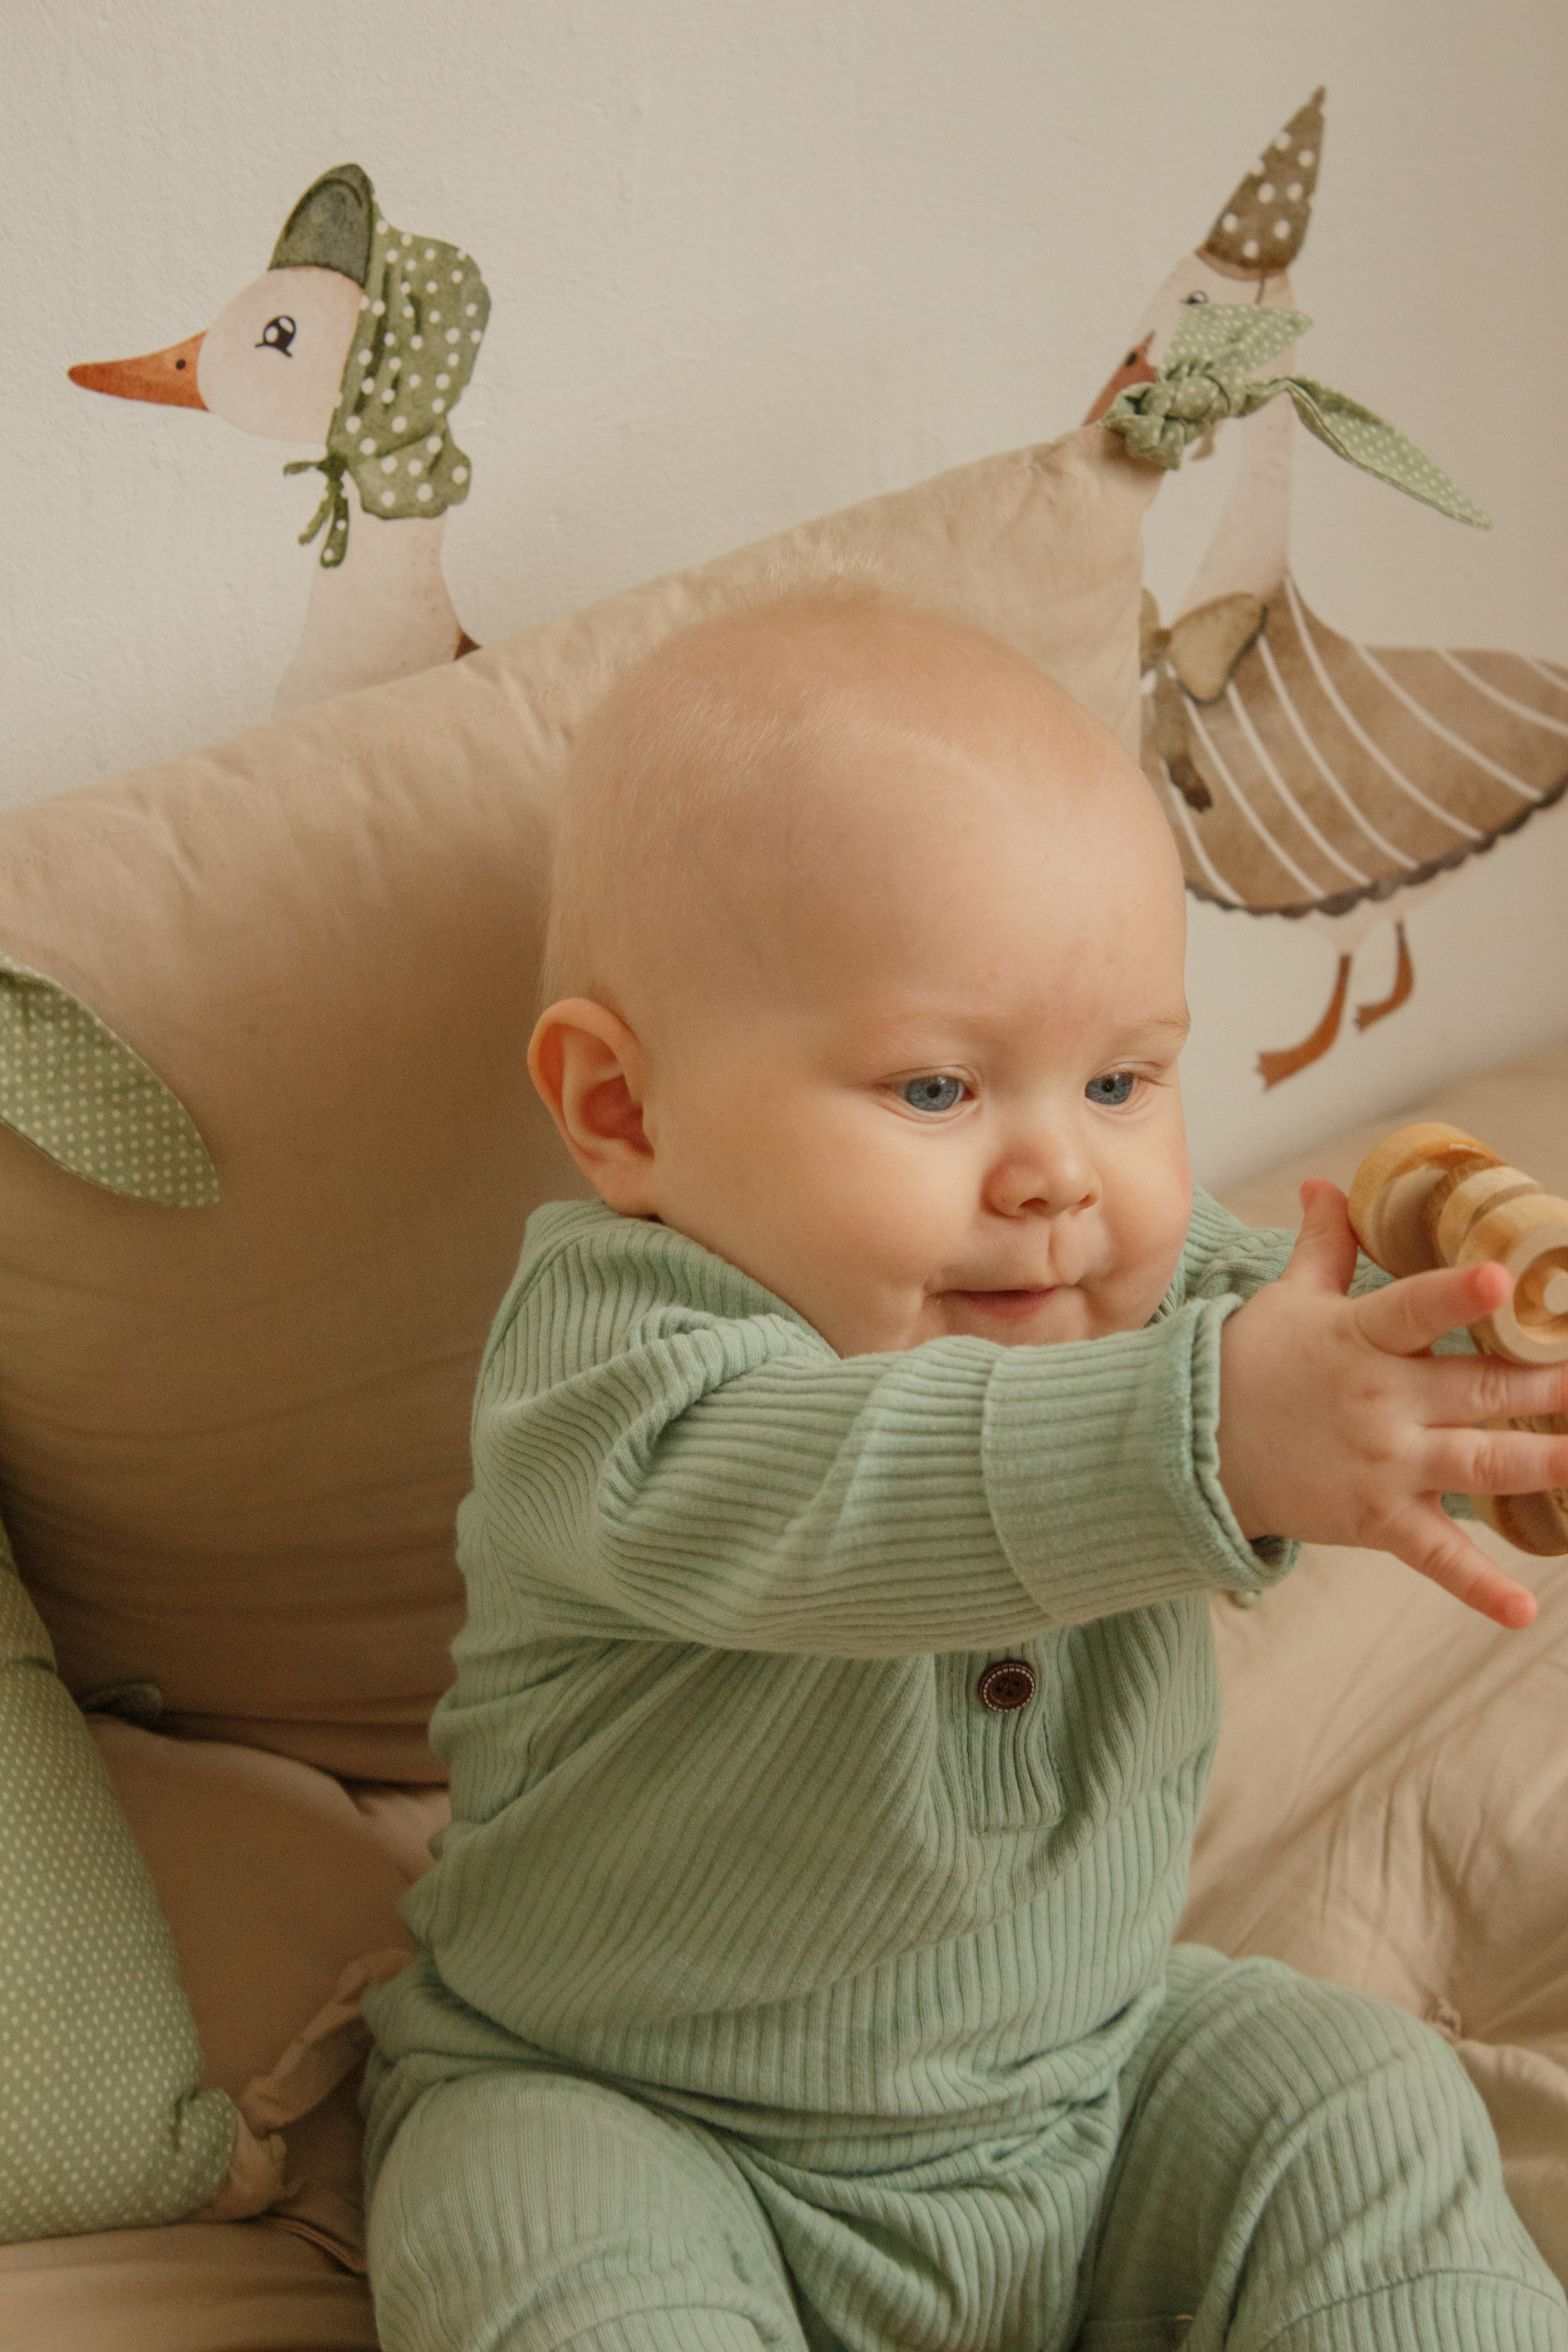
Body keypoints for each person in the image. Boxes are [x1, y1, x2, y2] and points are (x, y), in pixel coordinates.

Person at [361, 593, 1568, 2351]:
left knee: (1358, 2097)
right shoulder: (611, 1368)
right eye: (937, 1090)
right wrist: (1220, 1430)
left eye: (1121, 1080)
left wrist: (1476, 1392)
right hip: (643, 2109)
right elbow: (833, 1496)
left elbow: (1352, 1392)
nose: (1057, 1176)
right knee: (537, 2251)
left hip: (1088, 2083)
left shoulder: (1177, 1318)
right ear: (623, 1112)